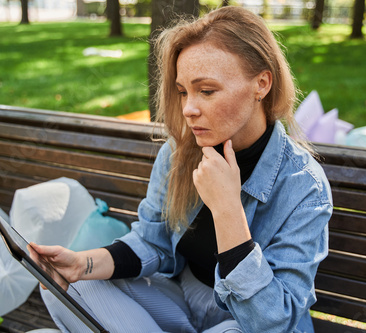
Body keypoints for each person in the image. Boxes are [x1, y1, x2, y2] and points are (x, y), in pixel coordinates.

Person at [34, 6, 332, 333]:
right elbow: (153, 242)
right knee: (65, 285)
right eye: (183, 92)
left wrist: (228, 209)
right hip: (181, 302)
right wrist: (82, 264)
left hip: (244, 323)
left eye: (206, 91)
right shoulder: (179, 153)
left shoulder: (304, 187)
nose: (188, 109)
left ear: (261, 84)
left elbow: (273, 320)